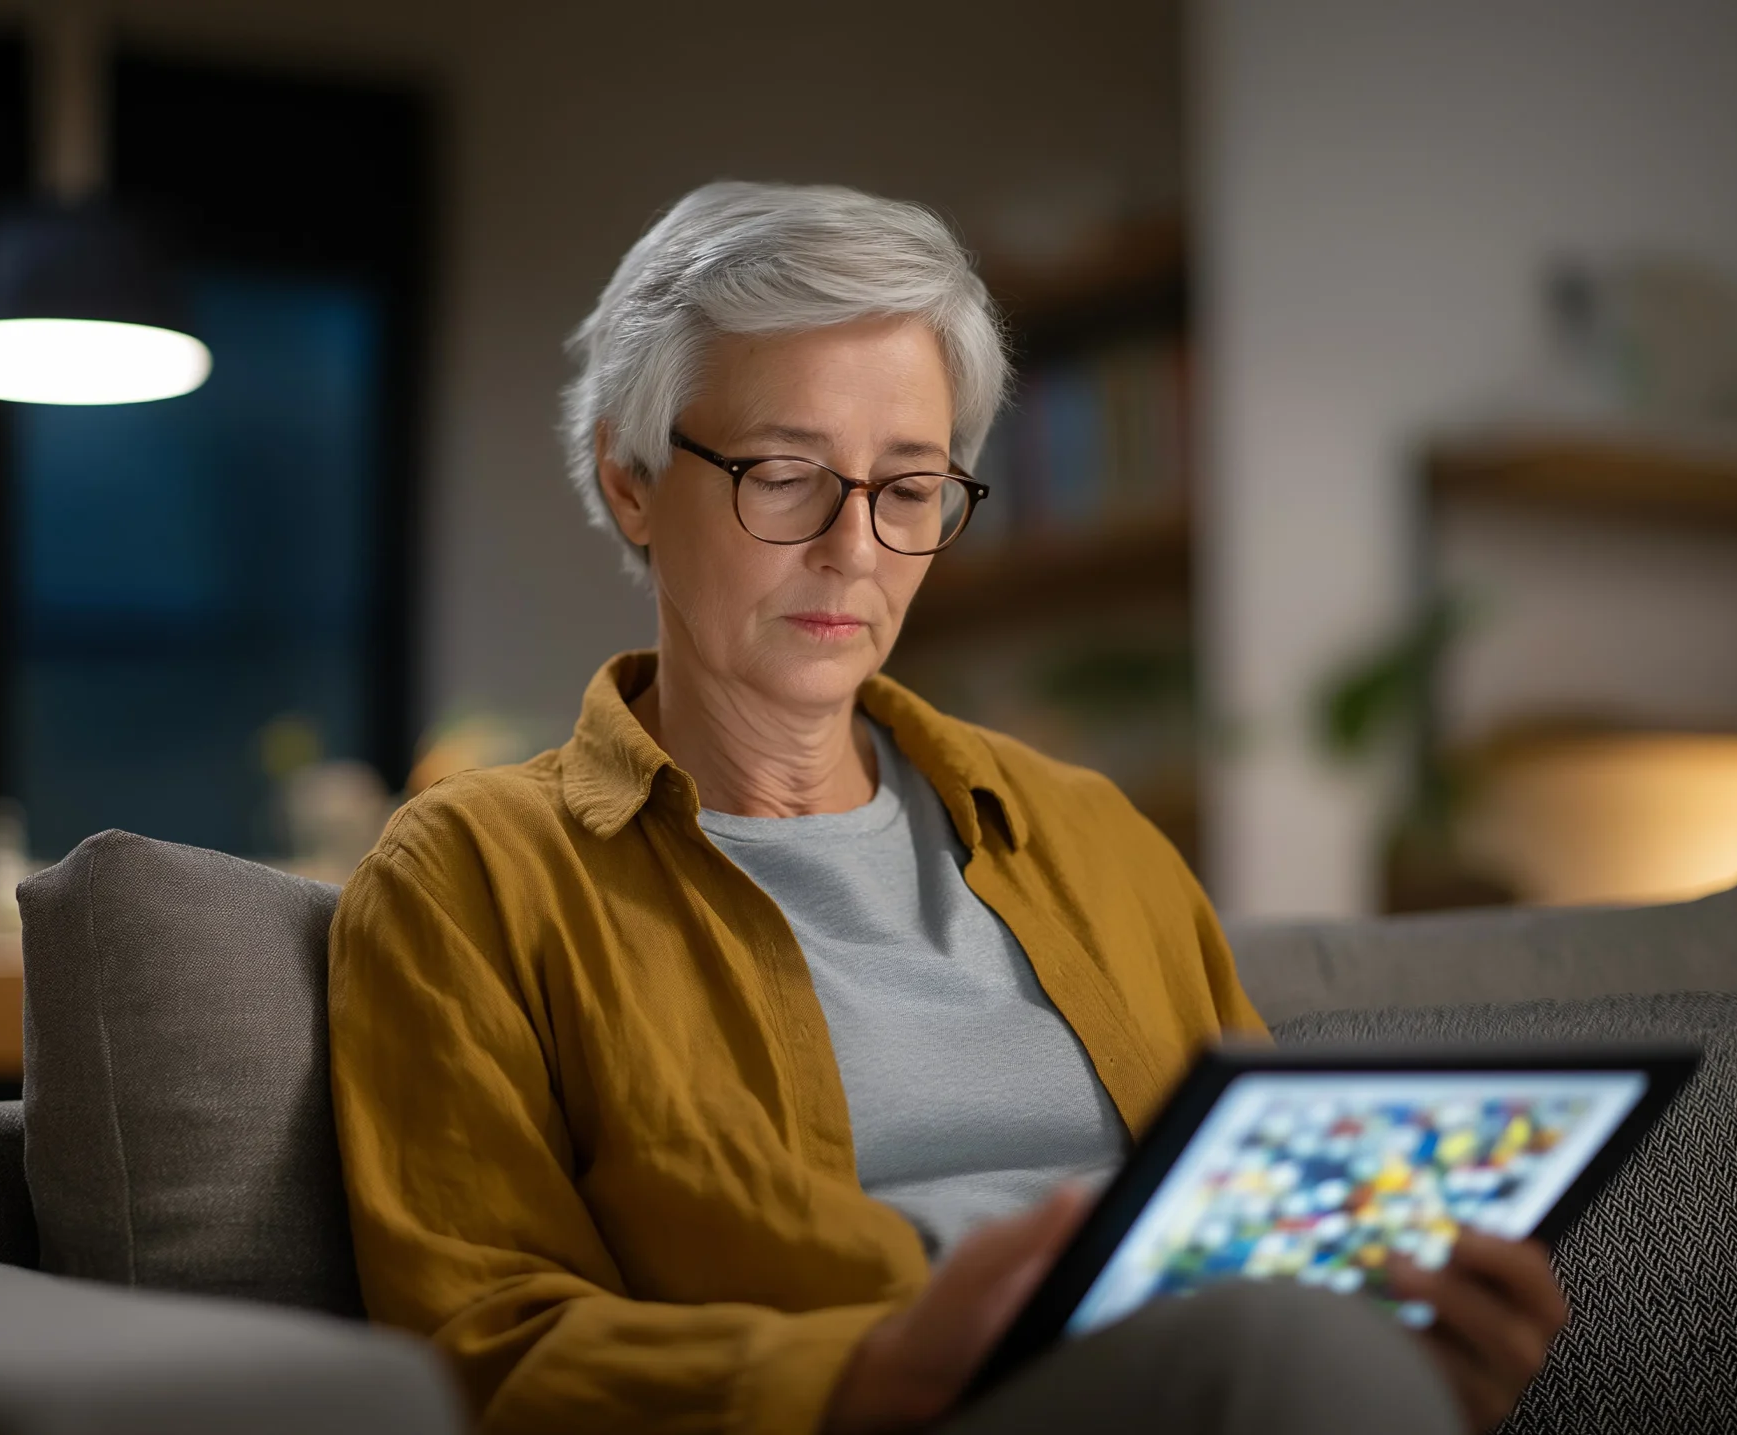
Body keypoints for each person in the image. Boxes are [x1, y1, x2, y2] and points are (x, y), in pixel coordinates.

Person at [328, 181, 1567, 1435]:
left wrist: (1413, 1341)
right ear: (633, 479)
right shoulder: (469, 877)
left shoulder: (1088, 835)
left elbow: (1257, 1213)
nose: (853, 549)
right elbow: (478, 1352)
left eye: (908, 488)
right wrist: (876, 1375)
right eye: (784, 473)